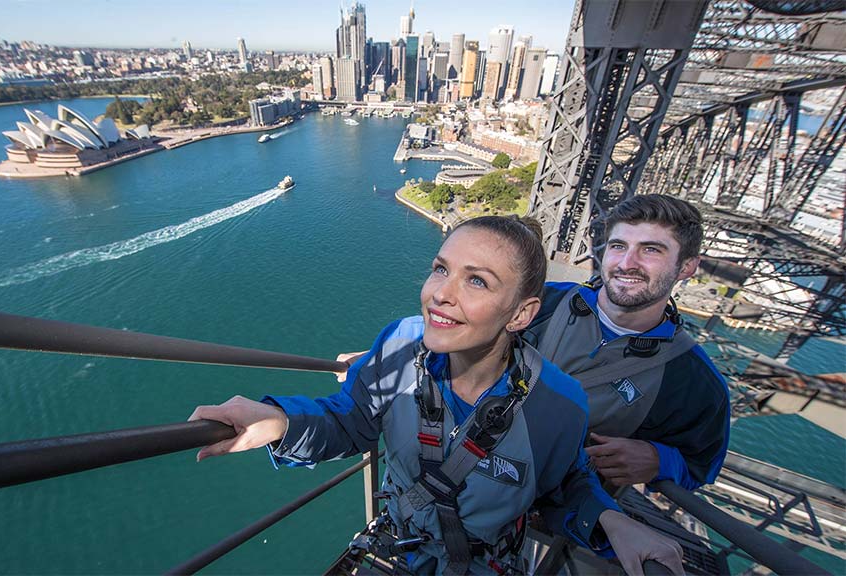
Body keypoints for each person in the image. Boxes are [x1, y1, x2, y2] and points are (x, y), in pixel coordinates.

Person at [189, 215, 684, 575]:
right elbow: (351, 421)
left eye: (476, 281)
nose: (440, 294)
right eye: (440, 268)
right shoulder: (400, 342)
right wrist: (280, 422)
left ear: (519, 314)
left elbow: (563, 488)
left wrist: (611, 520)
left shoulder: (559, 403)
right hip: (398, 546)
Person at [526, 194, 729, 491]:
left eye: (651, 250)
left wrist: (660, 459)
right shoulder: (540, 302)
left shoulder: (695, 384)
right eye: (618, 246)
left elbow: (701, 466)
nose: (627, 263)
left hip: (550, 508)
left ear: (687, 267)